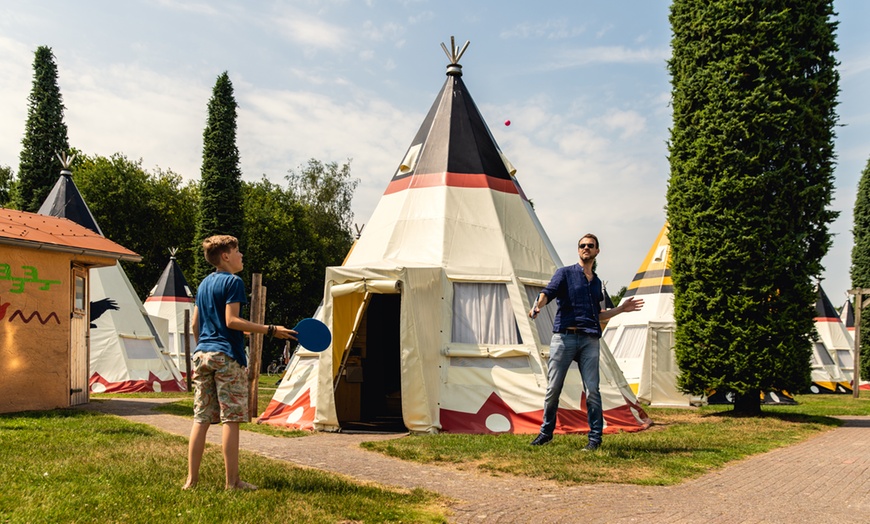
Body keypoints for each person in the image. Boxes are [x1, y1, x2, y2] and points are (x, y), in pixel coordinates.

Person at [183, 235, 296, 491]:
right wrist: (270, 329)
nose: (241, 255)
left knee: (200, 418)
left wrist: (207, 344)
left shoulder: (203, 285)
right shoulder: (234, 282)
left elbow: (195, 325)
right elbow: (232, 321)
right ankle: (232, 482)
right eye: (237, 251)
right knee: (230, 419)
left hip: (202, 355)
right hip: (226, 357)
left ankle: (191, 481)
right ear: (225, 256)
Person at [528, 233, 643, 450]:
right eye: (582, 245)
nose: (586, 248)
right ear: (578, 250)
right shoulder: (565, 273)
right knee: (553, 387)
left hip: (590, 339)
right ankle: (546, 432)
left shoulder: (596, 282)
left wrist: (621, 309)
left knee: (593, 391)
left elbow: (598, 315)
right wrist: (538, 306)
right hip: (564, 337)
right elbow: (547, 293)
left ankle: (595, 438)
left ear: (597, 251)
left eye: (590, 246)